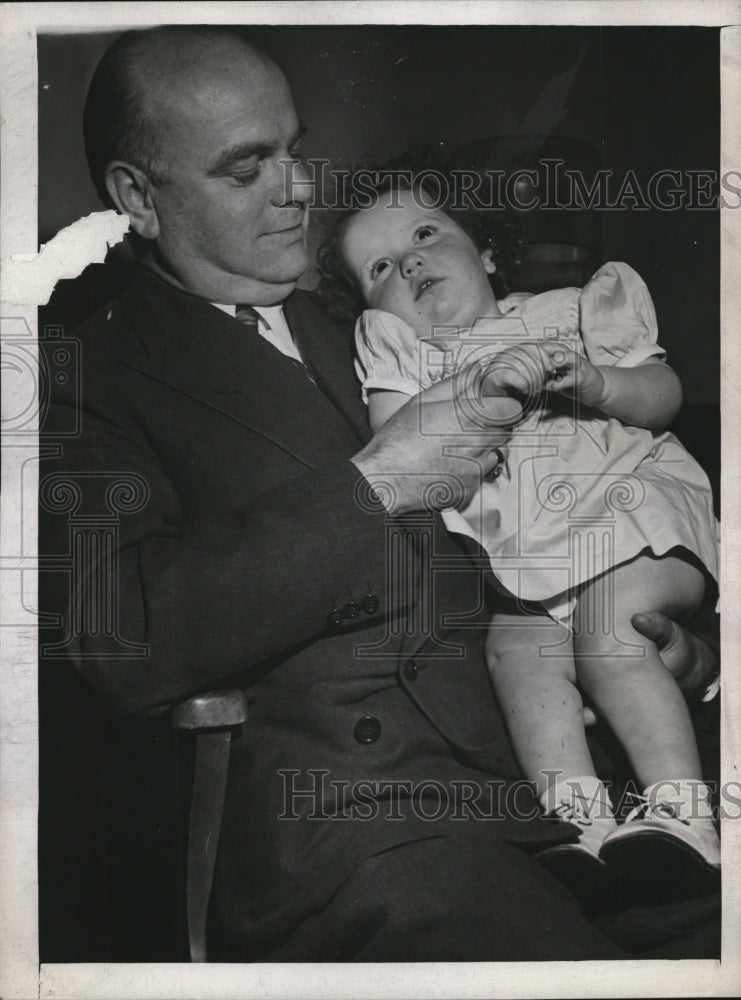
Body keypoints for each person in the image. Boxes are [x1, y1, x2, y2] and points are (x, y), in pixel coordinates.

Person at [39, 25, 720, 962]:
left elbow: (571, 502)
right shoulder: (89, 369)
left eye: (294, 148)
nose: (300, 188)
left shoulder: (379, 311)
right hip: (364, 818)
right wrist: (380, 481)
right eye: (247, 171)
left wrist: (675, 648)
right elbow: (123, 641)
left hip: (549, 771)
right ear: (135, 199)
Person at [322, 174, 720, 886]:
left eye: (423, 235)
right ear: (370, 312)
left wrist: (598, 383)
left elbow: (661, 397)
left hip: (635, 514)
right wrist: (463, 404)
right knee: (514, 650)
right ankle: (580, 824)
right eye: (379, 267)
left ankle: (683, 816)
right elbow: (396, 446)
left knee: (607, 631)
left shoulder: (564, 312)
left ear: (487, 254)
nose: (409, 262)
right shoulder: (409, 366)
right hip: (525, 550)